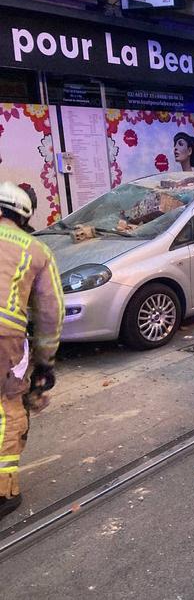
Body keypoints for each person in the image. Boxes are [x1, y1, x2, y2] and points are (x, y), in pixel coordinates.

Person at [0, 183, 64, 520]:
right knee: (8, 407)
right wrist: (45, 364)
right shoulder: (36, 250)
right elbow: (50, 314)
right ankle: (4, 491)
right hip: (4, 338)